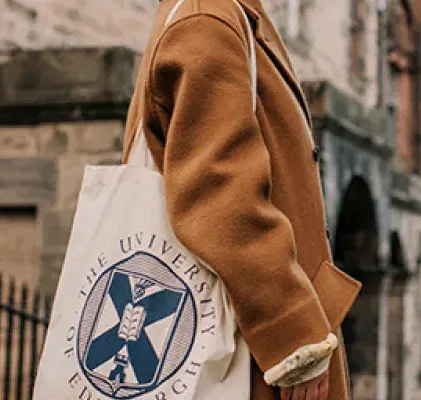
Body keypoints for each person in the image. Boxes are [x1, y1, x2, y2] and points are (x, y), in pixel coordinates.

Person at [122, 0, 361, 398]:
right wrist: (293, 336)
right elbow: (217, 190)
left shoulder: (227, 13)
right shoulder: (207, 18)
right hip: (252, 358)